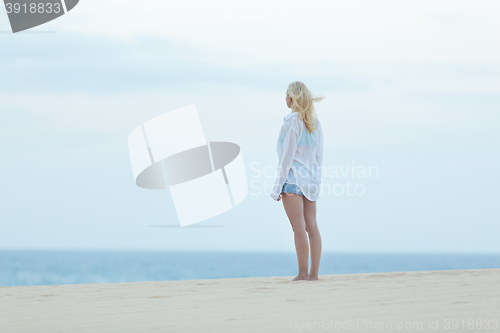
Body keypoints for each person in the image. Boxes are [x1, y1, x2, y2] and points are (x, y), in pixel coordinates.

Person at [270, 81, 325, 281]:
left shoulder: (291, 122)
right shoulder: (315, 123)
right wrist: (317, 181)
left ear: (291, 99)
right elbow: (319, 156)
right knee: (312, 225)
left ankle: (303, 274)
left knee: (299, 228)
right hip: (311, 181)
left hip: (293, 181)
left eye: (286, 95)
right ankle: (314, 274)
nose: (285, 99)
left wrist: (277, 188)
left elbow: (287, 157)